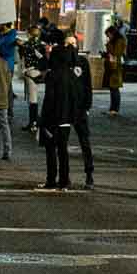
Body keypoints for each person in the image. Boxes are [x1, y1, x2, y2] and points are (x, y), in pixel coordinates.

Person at [38, 36, 94, 191]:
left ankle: (89, 174)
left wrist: (87, 106)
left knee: (84, 142)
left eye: (73, 44)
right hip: (65, 109)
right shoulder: (61, 65)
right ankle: (64, 178)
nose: (71, 46)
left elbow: (88, 86)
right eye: (68, 44)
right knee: (62, 144)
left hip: (79, 108)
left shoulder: (82, 63)